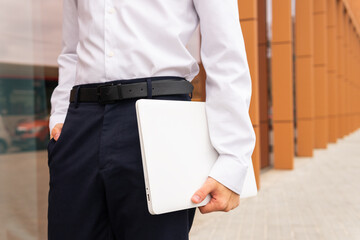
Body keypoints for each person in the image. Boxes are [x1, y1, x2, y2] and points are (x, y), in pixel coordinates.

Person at [48, 0, 256, 239]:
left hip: (159, 121)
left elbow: (224, 50)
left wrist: (233, 159)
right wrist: (61, 115)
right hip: (81, 123)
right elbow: (72, 50)